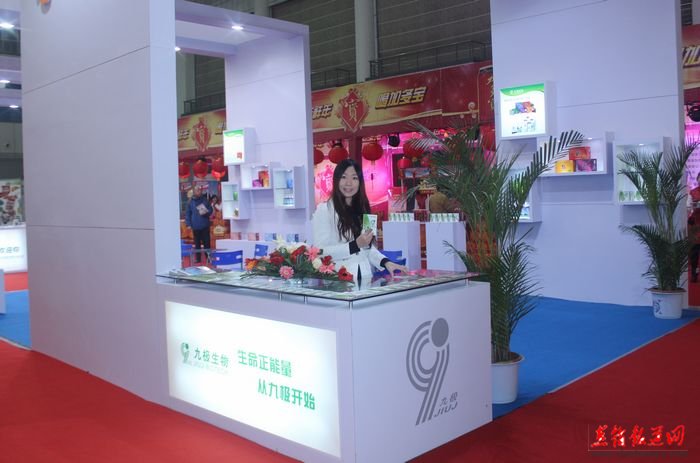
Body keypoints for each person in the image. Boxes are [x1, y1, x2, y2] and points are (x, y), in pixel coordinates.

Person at [312, 158, 408, 283]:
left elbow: (367, 248)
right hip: (338, 282)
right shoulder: (324, 210)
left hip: (365, 278)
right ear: (336, 180)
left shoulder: (364, 209)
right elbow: (320, 251)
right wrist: (355, 245)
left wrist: (385, 262)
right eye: (344, 177)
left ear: (360, 182)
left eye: (354, 178)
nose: (349, 183)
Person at [185, 185, 214, 264]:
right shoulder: (190, 202)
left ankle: (208, 258)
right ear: (194, 191)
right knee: (197, 244)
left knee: (207, 243)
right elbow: (188, 214)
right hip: (195, 226)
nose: (199, 191)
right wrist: (188, 224)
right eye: (197, 190)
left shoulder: (205, 200)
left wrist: (206, 212)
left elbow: (211, 210)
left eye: (200, 190)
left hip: (205, 225)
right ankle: (198, 258)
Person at [689, 174, 700, 282]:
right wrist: (693, 206)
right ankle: (694, 273)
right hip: (696, 225)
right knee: (694, 253)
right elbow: (688, 207)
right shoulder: (693, 192)